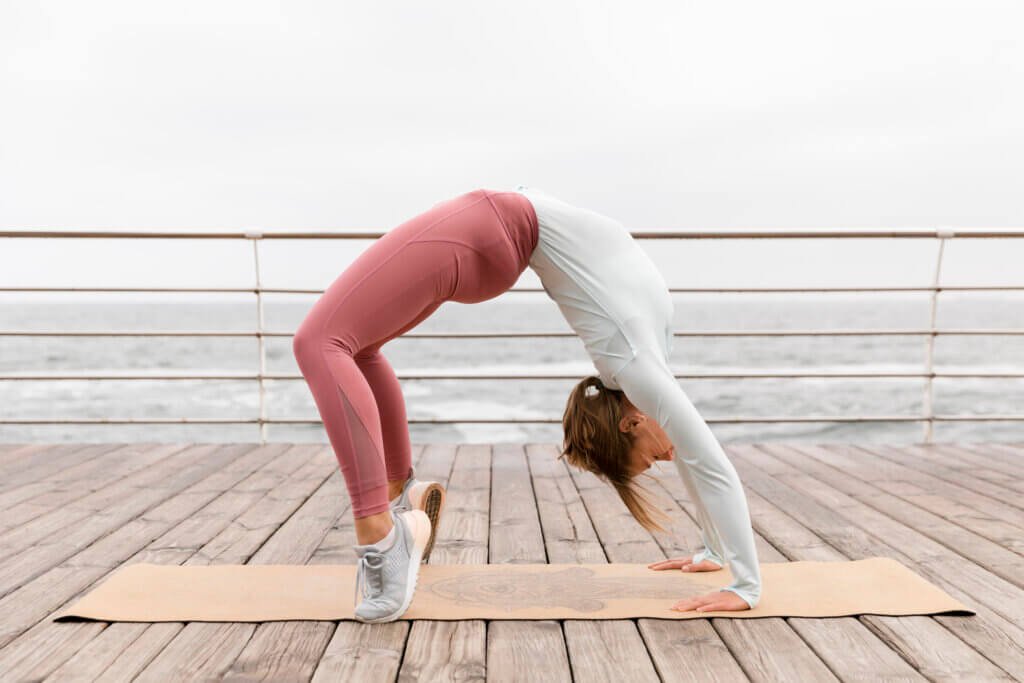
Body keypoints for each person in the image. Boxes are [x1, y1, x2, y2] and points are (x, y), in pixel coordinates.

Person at [292, 186, 761, 623]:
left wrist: (745, 584)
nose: (668, 454)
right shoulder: (644, 367)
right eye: (654, 458)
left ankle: (382, 535)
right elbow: (703, 463)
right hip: (496, 232)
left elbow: (705, 463)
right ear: (631, 423)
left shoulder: (639, 368)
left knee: (318, 342)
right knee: (356, 347)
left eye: (653, 459)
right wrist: (718, 556)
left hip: (491, 227)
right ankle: (399, 498)